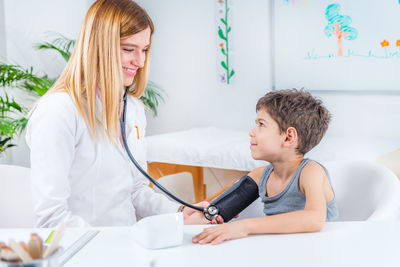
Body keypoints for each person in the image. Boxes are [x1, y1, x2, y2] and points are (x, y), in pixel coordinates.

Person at [26, 0, 205, 227]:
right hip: (83, 253)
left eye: (145, 50)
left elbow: (136, 191)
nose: (139, 62)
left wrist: (181, 213)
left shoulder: (133, 110)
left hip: (125, 246)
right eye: (129, 49)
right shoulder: (58, 111)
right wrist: (112, 248)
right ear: (99, 48)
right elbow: (51, 217)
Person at [189, 89, 339, 244]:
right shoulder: (260, 176)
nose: (251, 132)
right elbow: (212, 214)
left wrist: (244, 226)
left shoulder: (311, 171)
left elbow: (314, 219)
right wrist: (184, 218)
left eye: (261, 124)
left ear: (288, 137)